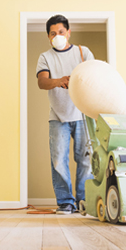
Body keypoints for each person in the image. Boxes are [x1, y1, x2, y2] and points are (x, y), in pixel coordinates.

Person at [36, 14, 94, 215]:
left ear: (68, 32)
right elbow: (42, 82)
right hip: (58, 117)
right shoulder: (46, 57)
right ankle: (65, 203)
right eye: (53, 34)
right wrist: (59, 80)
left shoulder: (82, 52)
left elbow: (93, 76)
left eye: (61, 32)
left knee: (86, 159)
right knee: (58, 160)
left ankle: (83, 201)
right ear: (48, 37)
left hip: (83, 115)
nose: (57, 36)